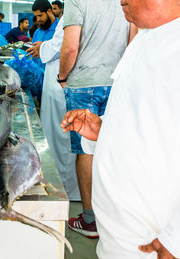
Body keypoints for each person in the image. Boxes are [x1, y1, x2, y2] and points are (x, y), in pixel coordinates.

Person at [61, 0, 180, 259]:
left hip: (161, 250)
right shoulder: (143, 39)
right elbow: (154, 123)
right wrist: (103, 130)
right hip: (120, 245)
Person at [57, 0, 131, 239]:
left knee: (85, 151)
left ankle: (89, 220)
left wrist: (62, 77)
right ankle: (112, 217)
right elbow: (133, 43)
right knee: (112, 148)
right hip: (116, 83)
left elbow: (70, 47)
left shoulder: (77, 1)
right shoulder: (123, 2)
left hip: (83, 84)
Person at [27, 15, 80, 201]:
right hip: (78, 80)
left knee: (62, 136)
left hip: (63, 81)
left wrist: (42, 48)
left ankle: (66, 190)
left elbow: (64, 46)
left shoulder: (76, 7)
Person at [27, 0, 59, 101]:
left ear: (49, 11)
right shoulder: (38, 32)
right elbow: (33, 53)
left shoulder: (60, 30)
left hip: (55, 81)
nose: (38, 19)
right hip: (39, 80)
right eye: (36, 16)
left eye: (40, 15)